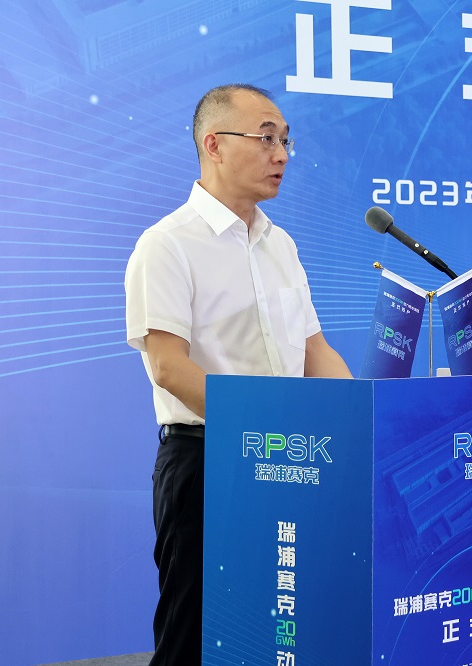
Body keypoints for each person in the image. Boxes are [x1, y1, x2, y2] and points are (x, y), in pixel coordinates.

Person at [124, 83, 351, 665]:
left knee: (278, 628)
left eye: (286, 141)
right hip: (210, 461)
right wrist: (260, 427)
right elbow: (168, 366)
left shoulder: (282, 246)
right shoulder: (167, 244)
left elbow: (315, 350)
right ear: (214, 144)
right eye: (266, 138)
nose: (282, 155)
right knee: (194, 635)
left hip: (290, 459)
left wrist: (361, 419)